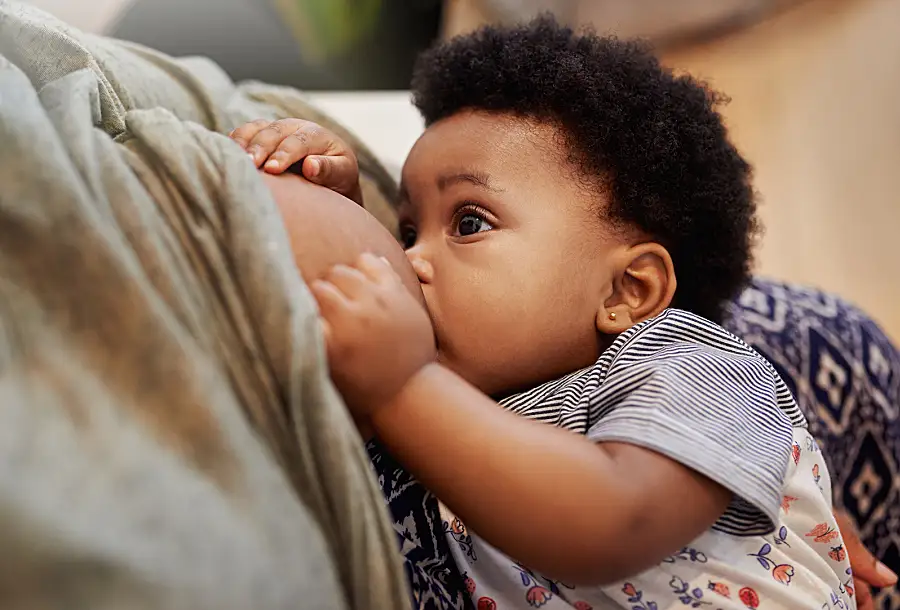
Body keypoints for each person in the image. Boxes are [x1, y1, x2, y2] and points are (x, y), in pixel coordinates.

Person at [227, 15, 900, 609]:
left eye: (468, 222)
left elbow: (615, 521)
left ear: (626, 293)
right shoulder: (482, 393)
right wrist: (338, 207)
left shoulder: (697, 367)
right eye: (405, 232)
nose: (411, 263)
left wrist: (404, 385)